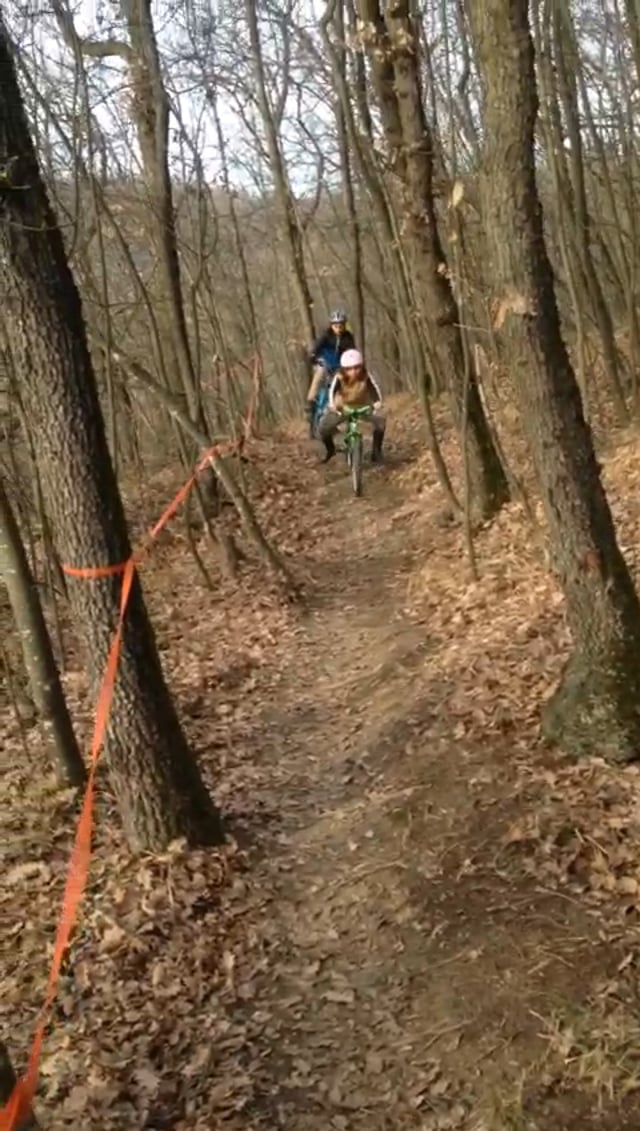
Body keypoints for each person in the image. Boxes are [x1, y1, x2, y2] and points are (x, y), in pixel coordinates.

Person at [319, 348, 386, 464]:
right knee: (323, 427)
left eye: (357, 368)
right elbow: (332, 391)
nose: (353, 372)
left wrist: (377, 402)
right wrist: (332, 405)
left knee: (381, 421)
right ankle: (330, 449)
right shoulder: (339, 377)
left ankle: (376, 451)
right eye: (349, 369)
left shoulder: (366, 376)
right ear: (343, 369)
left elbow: (374, 389)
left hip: (362, 406)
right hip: (343, 407)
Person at [305, 309, 355, 432]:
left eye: (340, 325)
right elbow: (316, 347)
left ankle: (336, 415)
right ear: (331, 326)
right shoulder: (326, 335)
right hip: (324, 363)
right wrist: (313, 356)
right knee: (319, 375)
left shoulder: (348, 337)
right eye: (335, 325)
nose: (338, 328)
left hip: (339, 366)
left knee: (343, 388)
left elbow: (352, 352)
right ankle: (310, 403)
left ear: (344, 325)